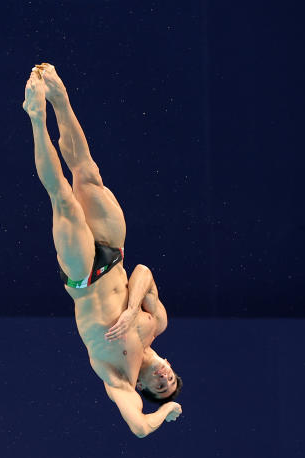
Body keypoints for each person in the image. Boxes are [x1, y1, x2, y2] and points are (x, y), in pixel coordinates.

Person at [23, 63, 183, 437]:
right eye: (170, 377)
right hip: (114, 255)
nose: (163, 377)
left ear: (144, 390)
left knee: (62, 197)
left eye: (160, 386)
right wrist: (130, 311)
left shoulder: (121, 382)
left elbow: (141, 428)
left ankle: (35, 116)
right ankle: (60, 100)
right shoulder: (155, 323)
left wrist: (166, 411)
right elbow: (143, 271)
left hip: (83, 280)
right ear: (170, 364)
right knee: (87, 172)